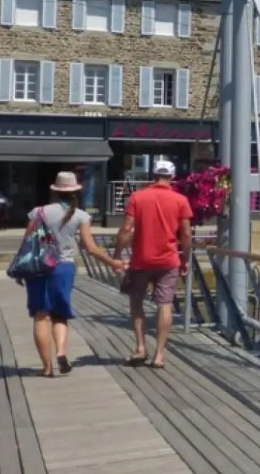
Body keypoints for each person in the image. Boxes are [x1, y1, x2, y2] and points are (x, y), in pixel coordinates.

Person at [22, 171, 123, 378]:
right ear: (75, 191)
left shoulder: (38, 212)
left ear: (54, 191)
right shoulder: (80, 216)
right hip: (63, 268)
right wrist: (112, 262)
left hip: (38, 268)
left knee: (41, 316)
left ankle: (47, 368)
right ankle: (61, 352)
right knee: (60, 315)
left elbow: (27, 243)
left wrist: (20, 270)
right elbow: (90, 248)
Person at [113, 159, 192, 369]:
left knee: (136, 302)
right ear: (172, 176)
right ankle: (159, 355)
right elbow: (186, 234)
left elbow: (126, 229)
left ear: (153, 175)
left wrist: (117, 254)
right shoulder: (181, 200)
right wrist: (185, 259)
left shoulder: (137, 197)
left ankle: (140, 347)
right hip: (168, 260)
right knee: (164, 304)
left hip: (140, 260)